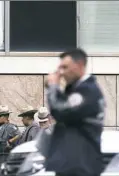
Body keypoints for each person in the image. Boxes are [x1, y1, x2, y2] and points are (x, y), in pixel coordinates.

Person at [45, 48, 105, 176]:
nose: (61, 72)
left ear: (79, 65)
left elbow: (60, 112)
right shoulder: (78, 90)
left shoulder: (87, 90)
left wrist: (53, 87)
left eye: (65, 67)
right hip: (73, 163)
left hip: (81, 165)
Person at [0, 105, 20, 176]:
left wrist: (10, 142)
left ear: (5, 117)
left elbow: (19, 135)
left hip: (6, 156)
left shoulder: (11, 126)